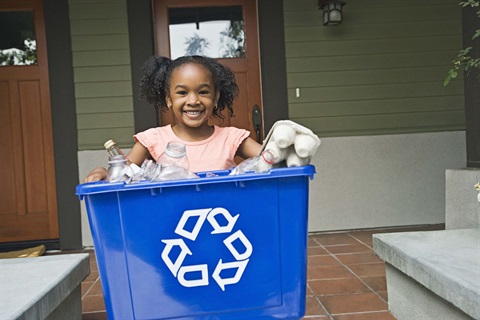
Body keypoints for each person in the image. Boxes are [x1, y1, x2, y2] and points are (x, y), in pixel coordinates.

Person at [84, 55, 262, 182]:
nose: (193, 101)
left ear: (215, 98)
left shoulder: (232, 138)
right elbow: (122, 174)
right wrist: (102, 172)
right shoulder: (153, 139)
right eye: (182, 93)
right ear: (169, 99)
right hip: (171, 226)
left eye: (203, 92)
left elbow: (272, 158)